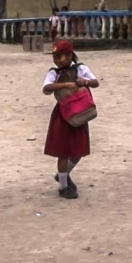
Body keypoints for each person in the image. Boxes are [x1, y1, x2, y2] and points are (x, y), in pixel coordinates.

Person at [42, 39, 99, 200]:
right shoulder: (54, 73)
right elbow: (46, 88)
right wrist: (65, 85)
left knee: (78, 152)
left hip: (80, 114)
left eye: (60, 56)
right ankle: (63, 185)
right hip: (63, 114)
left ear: (69, 56)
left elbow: (95, 82)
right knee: (63, 152)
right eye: (55, 57)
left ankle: (63, 175)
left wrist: (85, 81)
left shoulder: (81, 69)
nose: (57, 60)